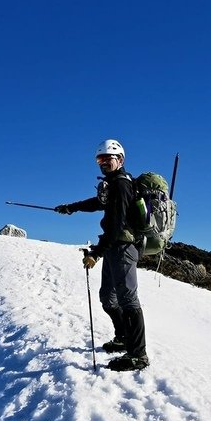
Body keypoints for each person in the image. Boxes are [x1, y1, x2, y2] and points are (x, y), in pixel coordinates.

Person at [55, 139, 149, 372]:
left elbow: (116, 226)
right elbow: (99, 203)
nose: (104, 162)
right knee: (108, 297)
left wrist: (96, 253)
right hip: (113, 248)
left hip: (123, 248)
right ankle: (123, 337)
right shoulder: (112, 184)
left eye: (109, 158)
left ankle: (138, 355)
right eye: (100, 159)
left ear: (121, 160)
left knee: (128, 299)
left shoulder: (122, 185)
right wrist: (72, 207)